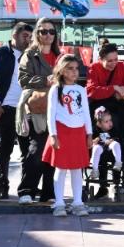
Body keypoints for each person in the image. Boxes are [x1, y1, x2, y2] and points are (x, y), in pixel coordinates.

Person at [0, 22, 32, 197]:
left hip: (26, 109)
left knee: (28, 150)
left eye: (29, 37)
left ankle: (27, 188)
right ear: (14, 35)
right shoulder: (0, 54)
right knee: (6, 148)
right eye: (24, 36)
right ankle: (2, 185)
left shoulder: (31, 55)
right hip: (6, 108)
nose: (28, 40)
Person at [42, 54, 93, 216]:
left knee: (77, 168)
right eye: (70, 69)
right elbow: (51, 114)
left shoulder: (81, 89)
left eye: (76, 69)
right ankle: (59, 203)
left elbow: (86, 113)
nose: (74, 72)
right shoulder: (55, 89)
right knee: (61, 168)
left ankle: (78, 202)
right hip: (61, 131)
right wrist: (53, 134)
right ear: (62, 70)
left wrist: (89, 133)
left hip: (79, 132)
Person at [16, 17, 60, 203]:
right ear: (37, 34)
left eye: (51, 31)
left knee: (54, 150)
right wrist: (45, 80)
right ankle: (26, 190)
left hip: (57, 108)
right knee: (36, 149)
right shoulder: (30, 54)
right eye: (43, 31)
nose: (48, 35)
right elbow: (23, 80)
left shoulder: (60, 55)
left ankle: (48, 193)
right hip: (37, 107)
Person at [85, 41, 124, 149]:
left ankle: (123, 147)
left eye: (116, 59)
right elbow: (91, 91)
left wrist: (123, 91)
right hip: (99, 105)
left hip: (118, 104)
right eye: (109, 61)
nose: (114, 63)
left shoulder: (123, 66)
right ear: (100, 59)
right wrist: (114, 88)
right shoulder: (94, 68)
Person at [89, 107, 122, 199]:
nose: (110, 123)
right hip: (100, 154)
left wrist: (112, 140)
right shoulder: (95, 130)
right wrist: (95, 140)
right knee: (98, 153)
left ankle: (117, 184)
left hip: (112, 153)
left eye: (110, 120)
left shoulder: (113, 129)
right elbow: (91, 142)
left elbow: (118, 138)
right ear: (99, 124)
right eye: (106, 121)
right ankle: (96, 173)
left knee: (116, 145)